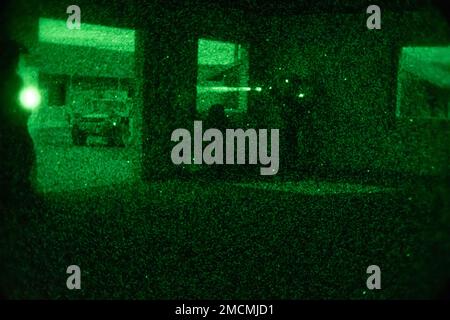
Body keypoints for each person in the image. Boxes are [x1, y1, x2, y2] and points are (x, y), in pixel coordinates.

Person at [0, 39, 37, 209]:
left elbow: (18, 105)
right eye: (15, 57)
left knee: (22, 156)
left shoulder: (15, 79)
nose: (17, 61)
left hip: (15, 127)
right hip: (12, 129)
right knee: (20, 157)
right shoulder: (12, 80)